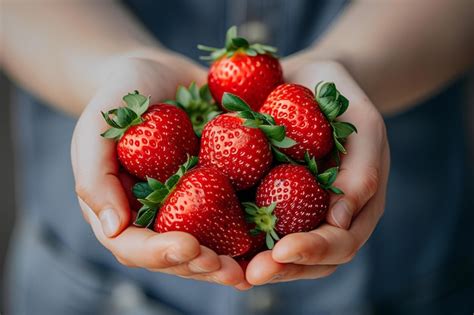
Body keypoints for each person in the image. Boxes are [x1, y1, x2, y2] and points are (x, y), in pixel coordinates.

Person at [1, 0, 472, 314]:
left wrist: (354, 67)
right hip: (85, 288)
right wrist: (108, 69)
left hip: (407, 276)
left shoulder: (237, 136)